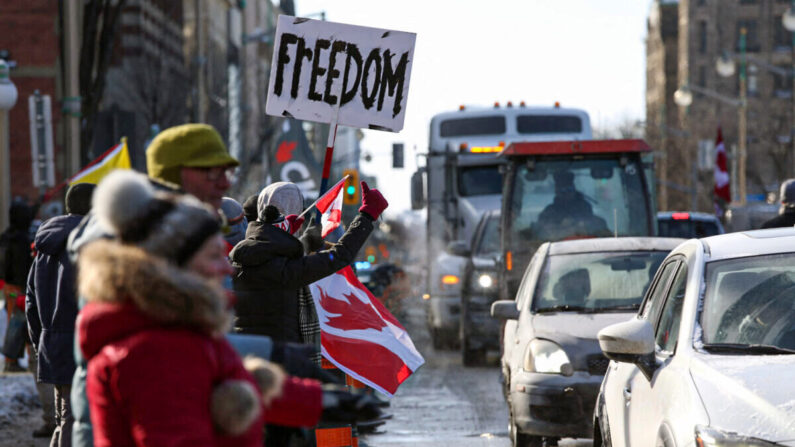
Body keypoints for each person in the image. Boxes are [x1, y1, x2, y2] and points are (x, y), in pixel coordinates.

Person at [76, 170, 325, 446]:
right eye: (212, 256)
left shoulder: (179, 329)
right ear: (177, 266)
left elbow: (221, 378)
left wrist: (319, 402)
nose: (226, 266)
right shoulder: (152, 351)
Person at [230, 181, 388, 343]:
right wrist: (367, 216)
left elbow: (273, 246)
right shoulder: (286, 270)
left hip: (244, 353)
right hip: (281, 357)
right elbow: (339, 256)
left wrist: (302, 241)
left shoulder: (236, 258)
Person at [26, 183, 95, 447]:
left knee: (63, 418)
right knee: (74, 421)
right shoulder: (88, 246)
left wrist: (40, 340)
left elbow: (31, 301)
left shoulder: (44, 247)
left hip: (51, 343)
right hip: (80, 345)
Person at [533, 171, 610, 240]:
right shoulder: (549, 212)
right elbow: (542, 234)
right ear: (556, 191)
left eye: (569, 189)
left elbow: (595, 230)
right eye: (561, 190)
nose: (565, 193)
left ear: (574, 189)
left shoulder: (584, 208)